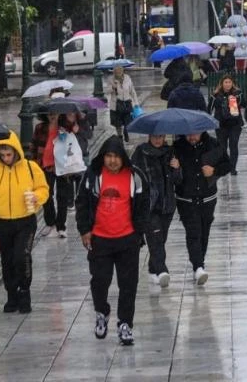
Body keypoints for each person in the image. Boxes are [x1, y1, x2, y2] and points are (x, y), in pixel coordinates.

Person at [75, 137, 149, 346]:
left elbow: (144, 204)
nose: (112, 161)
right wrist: (84, 230)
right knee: (99, 281)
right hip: (100, 240)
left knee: (128, 285)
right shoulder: (93, 176)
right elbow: (81, 202)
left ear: (122, 157)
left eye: (116, 156)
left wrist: (138, 231)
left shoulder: (135, 176)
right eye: (108, 156)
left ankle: (125, 324)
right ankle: (102, 312)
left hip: (127, 240)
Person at [0, 132, 49, 314]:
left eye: (9, 154)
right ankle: (11, 294)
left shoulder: (30, 167)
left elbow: (44, 188)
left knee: (22, 256)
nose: (6, 158)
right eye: (2, 155)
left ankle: (24, 291)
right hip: (2, 223)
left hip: (25, 221)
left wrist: (36, 197)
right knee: (7, 259)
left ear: (16, 151)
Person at [171, 131, 231, 285]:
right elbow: (171, 175)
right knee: (193, 233)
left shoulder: (213, 144)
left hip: (208, 198)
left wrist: (214, 171)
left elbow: (228, 164)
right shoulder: (177, 147)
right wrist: (175, 168)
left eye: (195, 134)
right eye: (188, 134)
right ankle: (198, 267)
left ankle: (199, 262)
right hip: (186, 199)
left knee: (204, 233)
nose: (191, 138)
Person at [130, 134, 180, 287]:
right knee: (155, 238)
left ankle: (153, 269)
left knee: (160, 239)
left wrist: (177, 168)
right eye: (155, 137)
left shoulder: (170, 152)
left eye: (160, 137)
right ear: (149, 137)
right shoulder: (140, 153)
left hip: (168, 205)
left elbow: (177, 180)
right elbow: (133, 177)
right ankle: (162, 270)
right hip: (149, 206)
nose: (158, 140)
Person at [48, 113, 88, 237]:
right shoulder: (56, 122)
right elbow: (52, 142)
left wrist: (78, 130)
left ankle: (83, 220)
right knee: (61, 196)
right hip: (61, 165)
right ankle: (61, 226)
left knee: (82, 192)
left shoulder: (80, 119)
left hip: (77, 162)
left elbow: (87, 136)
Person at [208, 74, 244, 175]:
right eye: (226, 82)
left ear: (232, 83)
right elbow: (209, 110)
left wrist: (235, 99)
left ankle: (233, 168)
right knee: (222, 147)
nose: (227, 84)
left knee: (233, 145)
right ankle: (224, 167)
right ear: (222, 84)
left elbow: (243, 103)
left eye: (229, 82)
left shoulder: (237, 93)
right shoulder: (215, 95)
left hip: (234, 124)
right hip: (221, 125)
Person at [108, 65, 139, 142]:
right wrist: (113, 87)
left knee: (127, 121)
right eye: (116, 72)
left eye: (120, 72)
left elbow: (132, 91)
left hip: (127, 103)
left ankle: (126, 131)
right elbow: (107, 91)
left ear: (122, 72)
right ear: (114, 72)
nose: (118, 73)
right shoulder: (111, 79)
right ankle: (120, 136)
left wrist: (136, 102)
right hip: (116, 104)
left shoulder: (127, 78)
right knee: (117, 123)